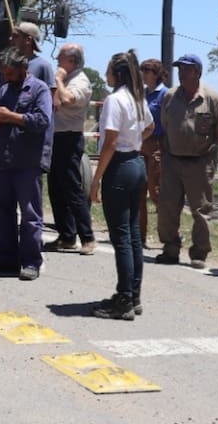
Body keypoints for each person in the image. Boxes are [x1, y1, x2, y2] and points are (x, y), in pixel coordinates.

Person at [89, 50, 153, 320]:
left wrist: (96, 179)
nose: (105, 75)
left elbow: (110, 142)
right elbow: (150, 127)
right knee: (133, 233)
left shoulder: (115, 100)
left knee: (121, 236)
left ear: (116, 74)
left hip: (120, 167)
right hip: (137, 164)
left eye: (108, 71)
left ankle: (124, 299)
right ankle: (133, 295)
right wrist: (134, 140)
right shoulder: (137, 98)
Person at [156, 53, 218, 270]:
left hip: (200, 162)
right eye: (180, 69)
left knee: (201, 210)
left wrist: (207, 148)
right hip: (172, 161)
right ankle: (170, 248)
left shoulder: (212, 99)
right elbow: (165, 124)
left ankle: (199, 252)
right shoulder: (170, 96)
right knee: (168, 206)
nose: (182, 73)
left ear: (197, 72)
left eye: (187, 69)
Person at [0, 48, 53, 281]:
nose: (7, 77)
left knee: (30, 214)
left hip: (28, 162)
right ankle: (7, 260)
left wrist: (11, 117)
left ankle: (31, 261)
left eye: (10, 73)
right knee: (3, 211)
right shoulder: (4, 89)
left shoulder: (40, 89)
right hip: (3, 160)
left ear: (24, 68)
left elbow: (43, 121)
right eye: (4, 73)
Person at [45, 43, 96, 255]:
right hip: (56, 137)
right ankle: (66, 236)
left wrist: (57, 78)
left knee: (73, 189)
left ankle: (88, 238)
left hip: (69, 139)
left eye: (61, 56)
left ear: (72, 61)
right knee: (56, 188)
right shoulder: (67, 79)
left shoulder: (80, 81)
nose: (57, 59)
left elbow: (66, 99)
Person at [138, 59, 169, 245]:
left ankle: (169, 234)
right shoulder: (142, 93)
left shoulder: (165, 94)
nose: (143, 74)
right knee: (139, 190)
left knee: (156, 191)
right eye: (142, 71)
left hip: (157, 144)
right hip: (141, 143)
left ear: (156, 74)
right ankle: (139, 235)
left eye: (147, 71)